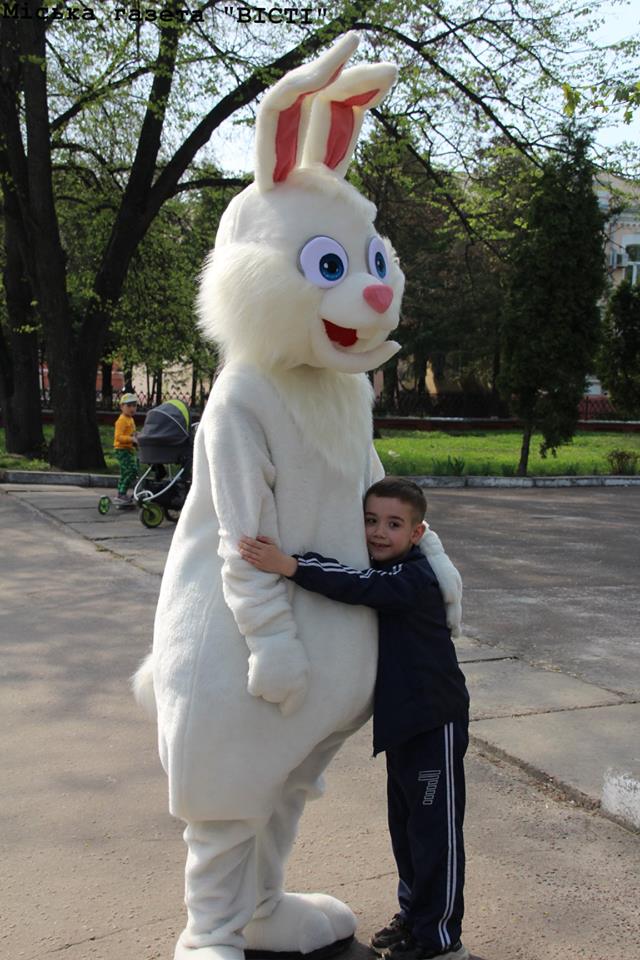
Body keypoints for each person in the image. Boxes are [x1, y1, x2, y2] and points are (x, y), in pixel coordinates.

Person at [238, 477, 470, 960]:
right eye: (370, 521)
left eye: (393, 524)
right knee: (407, 831)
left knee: (435, 836)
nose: (379, 532)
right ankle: (414, 919)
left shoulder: (414, 577)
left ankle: (440, 940)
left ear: (417, 532)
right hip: (404, 726)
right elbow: (349, 570)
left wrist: (289, 566)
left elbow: (355, 584)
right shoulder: (389, 568)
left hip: (434, 723)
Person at [113, 392, 139, 505]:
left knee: (126, 472)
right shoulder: (121, 420)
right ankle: (122, 493)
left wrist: (136, 436)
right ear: (122, 406)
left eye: (134, 405)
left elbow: (131, 433)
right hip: (121, 450)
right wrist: (131, 439)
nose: (132, 408)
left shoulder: (131, 420)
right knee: (130, 471)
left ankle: (120, 493)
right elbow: (118, 437)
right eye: (128, 406)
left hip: (128, 450)